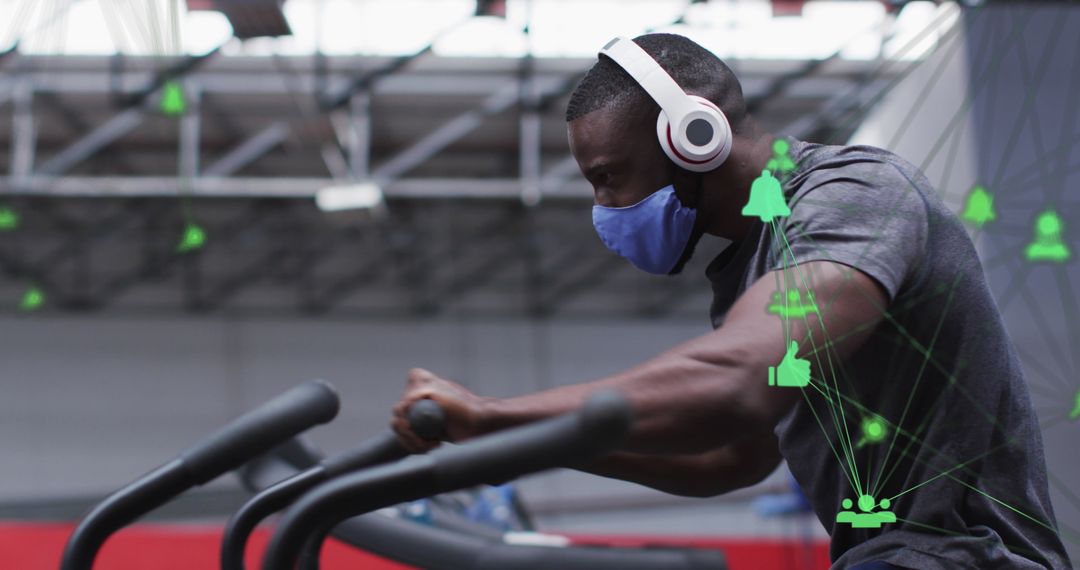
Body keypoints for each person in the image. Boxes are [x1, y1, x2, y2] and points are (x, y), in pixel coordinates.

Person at [391, 33, 1070, 569]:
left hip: (969, 558)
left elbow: (740, 380)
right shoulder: (749, 269)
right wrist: (506, 436)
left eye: (608, 178)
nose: (603, 208)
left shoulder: (854, 195)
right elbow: (730, 458)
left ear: (693, 136)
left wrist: (494, 413)